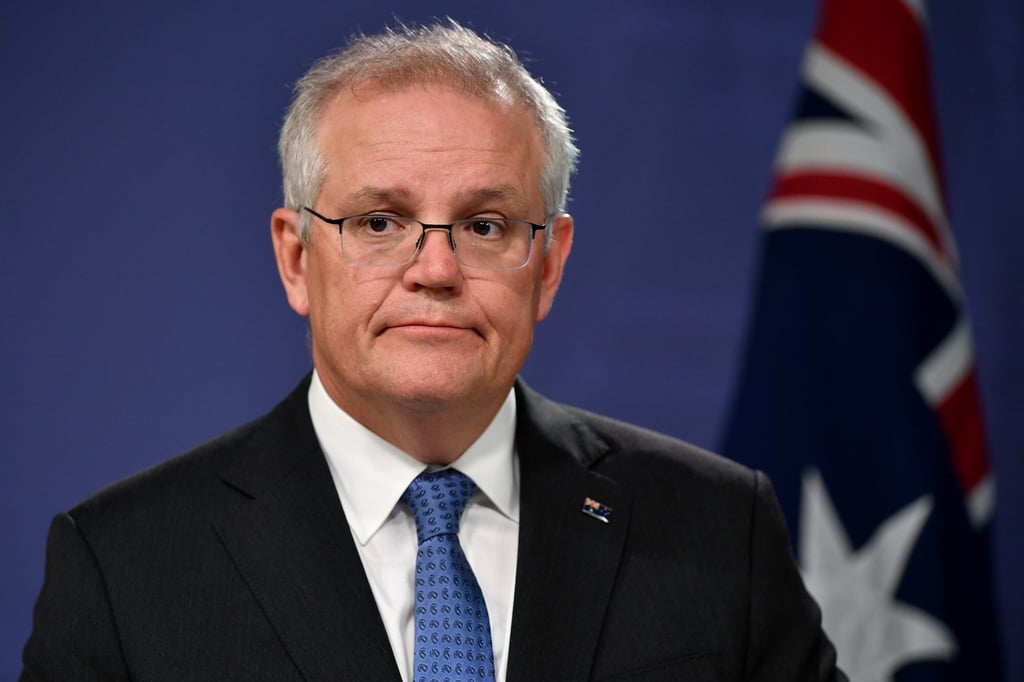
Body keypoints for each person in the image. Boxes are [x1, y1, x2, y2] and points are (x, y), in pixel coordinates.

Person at [21, 21, 845, 682]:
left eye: (485, 225)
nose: (437, 270)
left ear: (548, 265)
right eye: (380, 222)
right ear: (297, 259)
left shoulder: (718, 528)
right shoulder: (123, 566)